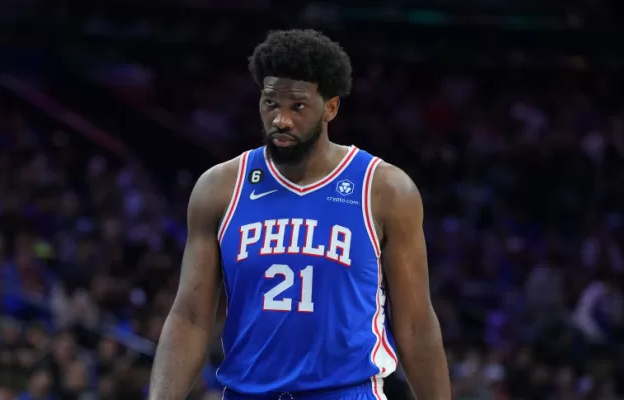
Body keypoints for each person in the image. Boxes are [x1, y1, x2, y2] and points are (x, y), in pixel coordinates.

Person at [149, 29, 450, 400]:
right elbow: (191, 317)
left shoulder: (384, 190)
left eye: (298, 106)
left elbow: (416, 324)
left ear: (331, 107)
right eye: (271, 103)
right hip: (248, 393)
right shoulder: (220, 188)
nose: (281, 120)